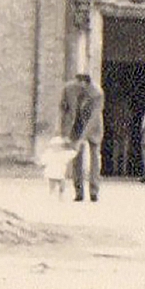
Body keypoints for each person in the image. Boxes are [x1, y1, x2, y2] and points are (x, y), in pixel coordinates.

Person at [60, 73, 104, 202]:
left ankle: (94, 191)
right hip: (75, 125)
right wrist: (63, 131)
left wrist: (82, 138)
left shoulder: (97, 93)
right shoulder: (68, 89)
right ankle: (78, 191)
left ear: (88, 83)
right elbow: (63, 109)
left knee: (94, 157)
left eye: (83, 85)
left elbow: (94, 117)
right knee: (76, 158)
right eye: (78, 84)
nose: (80, 87)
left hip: (93, 127)